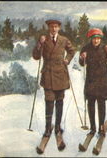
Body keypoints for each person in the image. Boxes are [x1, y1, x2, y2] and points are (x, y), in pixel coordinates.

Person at [33, 18, 76, 154]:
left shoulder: (64, 40)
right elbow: (35, 56)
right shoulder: (43, 40)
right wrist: (39, 44)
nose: (53, 29)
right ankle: (47, 128)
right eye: (51, 27)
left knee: (60, 102)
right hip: (48, 74)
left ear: (59, 28)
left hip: (61, 74)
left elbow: (72, 50)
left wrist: (67, 59)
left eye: (56, 27)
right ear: (48, 28)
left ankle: (57, 128)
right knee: (49, 102)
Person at [79, 28, 107, 136]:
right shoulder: (85, 48)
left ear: (100, 39)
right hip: (91, 81)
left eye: (98, 39)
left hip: (102, 81)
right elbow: (82, 63)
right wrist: (82, 57)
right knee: (90, 104)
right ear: (91, 39)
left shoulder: (105, 48)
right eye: (94, 39)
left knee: (101, 104)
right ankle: (93, 128)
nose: (96, 41)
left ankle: (101, 127)